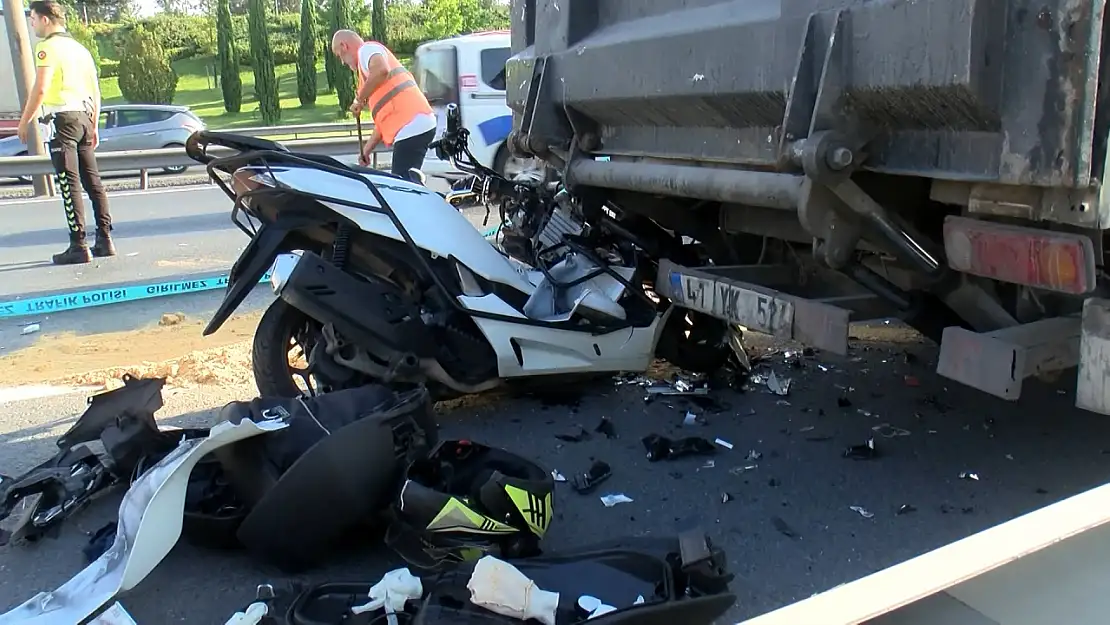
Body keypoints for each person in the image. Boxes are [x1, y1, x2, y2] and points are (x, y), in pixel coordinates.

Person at [17, 0, 115, 265]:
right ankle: (105, 239)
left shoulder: (47, 47)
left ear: (46, 19)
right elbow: (95, 89)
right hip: (83, 117)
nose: (32, 24)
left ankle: (78, 244)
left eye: (34, 19)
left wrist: (24, 120)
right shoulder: (79, 48)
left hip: (61, 119)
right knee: (93, 182)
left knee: (68, 183)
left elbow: (40, 88)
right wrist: (93, 124)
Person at [331, 29, 437, 179]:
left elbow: (382, 70)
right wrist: (366, 150)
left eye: (339, 55)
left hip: (411, 125)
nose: (342, 61)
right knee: (405, 183)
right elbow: (382, 122)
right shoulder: (367, 74)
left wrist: (359, 100)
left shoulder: (366, 50)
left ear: (344, 46)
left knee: (403, 188)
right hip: (415, 123)